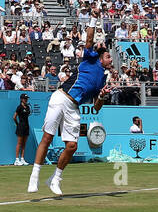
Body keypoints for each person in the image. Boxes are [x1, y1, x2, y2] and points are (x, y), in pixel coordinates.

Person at [28, 21, 110, 196]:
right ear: (101, 57)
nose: (111, 60)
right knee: (48, 137)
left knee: (72, 146)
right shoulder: (90, 59)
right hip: (60, 98)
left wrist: (102, 96)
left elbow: (96, 107)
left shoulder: (103, 80)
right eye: (109, 57)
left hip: (74, 107)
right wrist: (93, 21)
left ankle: (55, 179)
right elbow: (88, 39)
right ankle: (34, 175)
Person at [12, 94, 32, 165]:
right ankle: (17, 160)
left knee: (24, 144)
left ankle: (22, 159)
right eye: (25, 99)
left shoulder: (27, 107)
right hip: (20, 126)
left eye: (27, 99)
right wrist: (18, 124)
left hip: (26, 126)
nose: (26, 100)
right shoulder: (19, 107)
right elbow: (14, 117)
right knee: (19, 143)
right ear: (21, 99)